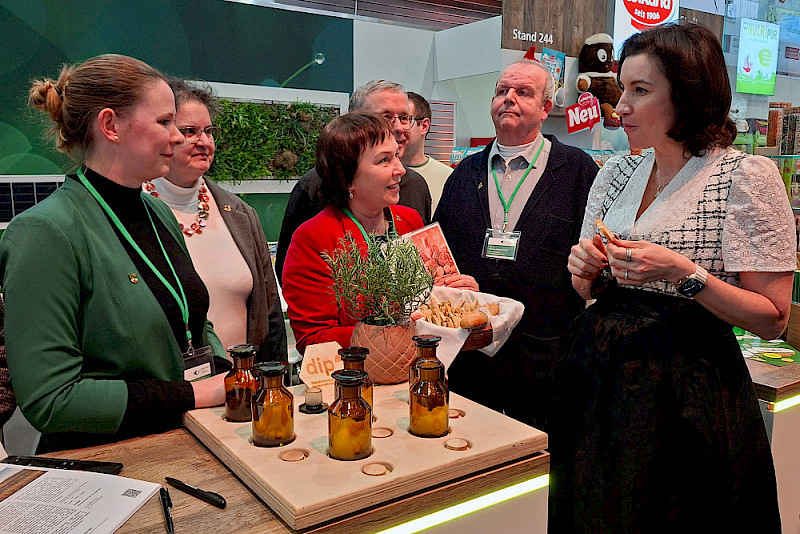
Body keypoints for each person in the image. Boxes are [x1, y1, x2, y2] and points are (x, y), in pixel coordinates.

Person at [550, 22, 790, 532]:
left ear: (687, 95)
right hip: (600, 381)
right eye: (622, 88)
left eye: (641, 90)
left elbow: (772, 318)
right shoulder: (615, 173)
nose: (622, 107)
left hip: (687, 390)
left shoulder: (743, 177)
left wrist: (684, 273)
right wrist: (584, 273)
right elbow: (590, 294)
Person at [0, 55, 227, 452]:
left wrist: (228, 373)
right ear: (110, 126)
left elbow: (193, 322)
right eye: (164, 122)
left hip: (185, 443)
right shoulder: (43, 232)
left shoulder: (157, 213)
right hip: (107, 465)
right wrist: (195, 395)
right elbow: (51, 400)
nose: (177, 136)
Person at [434, 59, 599, 430]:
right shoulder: (463, 174)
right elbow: (439, 251)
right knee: (472, 456)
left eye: (523, 92)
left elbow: (592, 261)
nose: (509, 99)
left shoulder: (578, 171)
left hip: (546, 359)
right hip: (470, 357)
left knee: (543, 466)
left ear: (545, 108)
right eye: (501, 91)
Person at [281, 112, 476, 354]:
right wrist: (395, 332)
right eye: (383, 160)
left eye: (396, 155)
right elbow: (313, 338)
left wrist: (458, 295)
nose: (400, 170)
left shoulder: (409, 219)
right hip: (360, 381)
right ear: (347, 179)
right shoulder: (314, 238)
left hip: (422, 370)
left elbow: (431, 300)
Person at [143, 80, 287, 363]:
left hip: (243, 389)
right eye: (190, 131)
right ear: (164, 133)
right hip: (173, 394)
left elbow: (270, 316)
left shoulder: (241, 215)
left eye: (209, 132)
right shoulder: (133, 212)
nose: (204, 142)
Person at [275, 80, 432, 283]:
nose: (399, 127)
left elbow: (427, 272)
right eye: (386, 117)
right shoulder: (314, 186)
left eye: (404, 117)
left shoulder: (416, 186)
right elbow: (292, 273)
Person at [402, 92, 453, 212]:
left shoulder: (450, 178)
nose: (397, 127)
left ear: (424, 126)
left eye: (405, 119)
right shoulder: (380, 175)